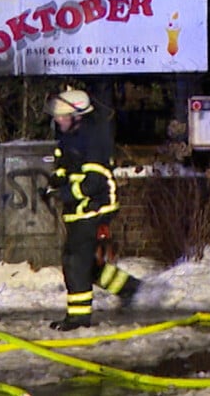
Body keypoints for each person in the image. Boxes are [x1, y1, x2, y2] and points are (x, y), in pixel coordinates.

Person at [44, 87, 138, 331]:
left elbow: (93, 182)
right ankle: (130, 289)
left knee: (75, 261)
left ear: (79, 116)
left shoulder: (94, 139)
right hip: (79, 209)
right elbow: (65, 165)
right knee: (83, 262)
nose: (58, 119)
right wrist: (55, 181)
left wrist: (63, 192)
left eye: (63, 115)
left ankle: (78, 318)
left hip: (95, 207)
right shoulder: (69, 137)